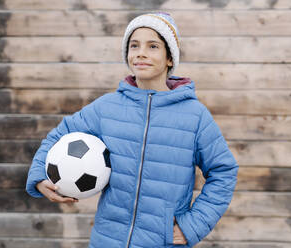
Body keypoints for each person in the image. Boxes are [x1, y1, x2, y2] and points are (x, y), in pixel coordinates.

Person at [26, 12, 238, 248]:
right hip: (106, 241)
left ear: (170, 58)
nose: (141, 53)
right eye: (134, 45)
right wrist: (38, 176)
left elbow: (224, 171)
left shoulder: (195, 116)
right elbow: (59, 135)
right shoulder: (107, 107)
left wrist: (193, 225)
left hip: (163, 243)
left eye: (153, 46)